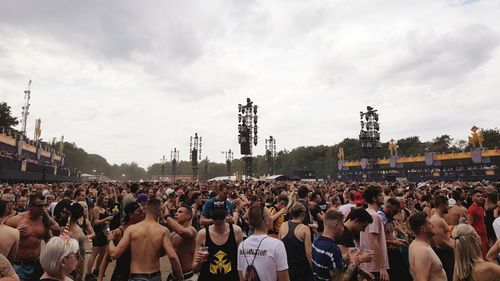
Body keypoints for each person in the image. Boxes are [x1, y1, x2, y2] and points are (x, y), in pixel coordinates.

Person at [108, 198, 183, 281]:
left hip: (136, 276)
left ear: (145, 211)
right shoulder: (163, 231)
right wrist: (180, 277)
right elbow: (172, 257)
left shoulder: (132, 229)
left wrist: (110, 240)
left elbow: (114, 254)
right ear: (161, 211)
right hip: (155, 276)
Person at [5, 193, 59, 281]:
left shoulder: (44, 221)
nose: (42, 209)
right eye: (40, 206)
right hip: (19, 265)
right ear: (30, 206)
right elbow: (4, 238)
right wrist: (15, 233)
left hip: (36, 264)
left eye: (44, 206)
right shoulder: (16, 220)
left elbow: (52, 236)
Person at [192, 199, 243, 281]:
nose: (218, 220)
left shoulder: (236, 231)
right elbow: (195, 269)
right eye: (215, 217)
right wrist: (199, 262)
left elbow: (241, 261)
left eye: (221, 216)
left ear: (227, 215)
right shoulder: (202, 234)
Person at [237, 204, 290, 281]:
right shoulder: (277, 245)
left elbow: (241, 277)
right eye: (270, 215)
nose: (272, 218)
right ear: (267, 220)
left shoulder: (242, 245)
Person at [97, 202, 144, 281]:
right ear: (131, 214)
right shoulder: (118, 232)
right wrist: (99, 278)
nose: (143, 213)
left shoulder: (143, 230)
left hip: (139, 276)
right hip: (121, 276)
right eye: (139, 211)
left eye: (143, 210)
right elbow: (106, 258)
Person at [312, 209, 363, 281]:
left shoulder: (316, 242)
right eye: (342, 226)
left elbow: (328, 265)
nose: (343, 229)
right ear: (336, 224)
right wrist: (354, 264)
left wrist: (346, 257)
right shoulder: (333, 250)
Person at [359, 185, 389, 281]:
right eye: (380, 195)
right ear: (374, 198)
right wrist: (382, 267)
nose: (383, 197)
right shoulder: (375, 216)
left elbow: (363, 241)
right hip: (375, 267)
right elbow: (373, 241)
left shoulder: (365, 213)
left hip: (367, 264)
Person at [408, 212, 447, 281]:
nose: (433, 225)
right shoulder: (422, 251)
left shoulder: (417, 244)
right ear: (423, 229)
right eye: (429, 224)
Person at [278, 202, 312, 281]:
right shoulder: (305, 228)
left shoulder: (283, 225)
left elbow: (279, 247)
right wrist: (314, 269)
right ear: (303, 214)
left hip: (287, 266)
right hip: (301, 269)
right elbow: (309, 253)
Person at [164, 205, 198, 281]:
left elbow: (181, 231)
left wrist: (167, 216)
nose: (176, 213)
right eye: (176, 211)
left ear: (188, 216)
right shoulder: (173, 234)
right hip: (174, 277)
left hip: (188, 277)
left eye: (180, 212)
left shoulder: (192, 230)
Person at [86, 194, 113, 280]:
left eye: (107, 199)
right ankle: (88, 273)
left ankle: (97, 270)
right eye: (105, 199)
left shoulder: (104, 209)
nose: (107, 200)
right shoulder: (96, 208)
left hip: (104, 233)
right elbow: (95, 222)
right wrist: (106, 219)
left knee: (103, 253)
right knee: (94, 253)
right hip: (97, 233)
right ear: (101, 199)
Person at [430, 195, 454, 281]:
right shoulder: (436, 220)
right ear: (441, 205)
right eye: (446, 205)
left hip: (446, 252)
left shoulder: (440, 218)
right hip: (444, 253)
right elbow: (439, 242)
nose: (448, 207)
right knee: (449, 276)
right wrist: (453, 247)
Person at [467, 189, 488, 258]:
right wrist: (475, 238)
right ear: (473, 197)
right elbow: (469, 225)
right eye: (478, 196)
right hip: (478, 238)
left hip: (483, 237)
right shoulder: (472, 209)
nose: (480, 197)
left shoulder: (480, 207)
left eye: (481, 196)